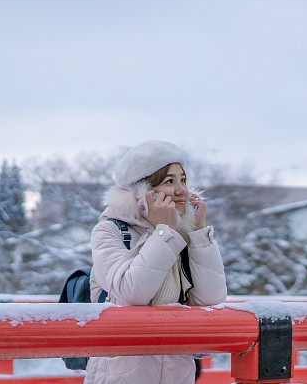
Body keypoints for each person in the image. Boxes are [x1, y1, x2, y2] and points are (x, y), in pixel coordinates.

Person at [84, 141, 227, 384]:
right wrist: (163, 232)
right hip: (121, 373)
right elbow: (132, 292)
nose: (181, 190)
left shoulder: (181, 235)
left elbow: (211, 302)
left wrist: (199, 235)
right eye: (169, 181)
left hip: (177, 371)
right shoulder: (110, 230)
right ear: (142, 190)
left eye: (183, 180)